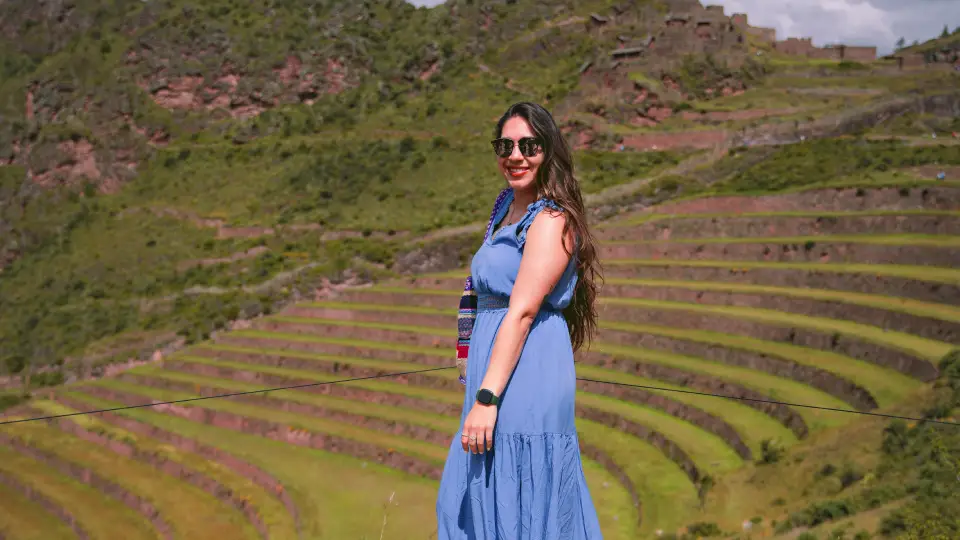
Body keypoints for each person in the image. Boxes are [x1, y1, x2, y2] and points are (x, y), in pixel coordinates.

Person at [435, 102, 604, 539]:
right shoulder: (505, 208)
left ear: (548, 150)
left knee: (521, 493)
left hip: (522, 373)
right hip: (497, 368)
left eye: (528, 145)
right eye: (504, 145)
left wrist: (487, 400)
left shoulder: (550, 220)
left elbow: (524, 310)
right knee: (486, 491)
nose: (515, 155)